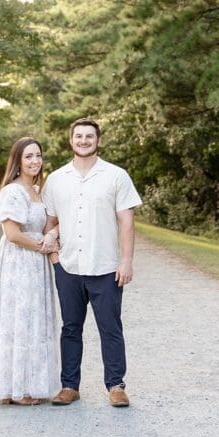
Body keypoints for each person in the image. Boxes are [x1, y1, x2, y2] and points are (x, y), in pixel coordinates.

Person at [42, 118, 142, 408]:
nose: (83, 140)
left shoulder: (116, 176)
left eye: (89, 136)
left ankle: (116, 385)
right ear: (70, 140)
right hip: (69, 266)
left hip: (106, 266)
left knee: (110, 327)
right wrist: (54, 257)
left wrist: (126, 261)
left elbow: (126, 222)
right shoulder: (57, 179)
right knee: (70, 328)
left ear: (98, 141)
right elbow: (51, 222)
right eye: (78, 136)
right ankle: (69, 385)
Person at [0, 137, 60, 405]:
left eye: (38, 155)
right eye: (28, 156)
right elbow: (12, 234)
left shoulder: (37, 190)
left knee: (33, 320)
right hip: (20, 262)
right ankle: (16, 389)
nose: (35, 161)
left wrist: (52, 238)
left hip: (36, 263)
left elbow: (49, 223)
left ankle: (26, 384)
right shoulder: (13, 191)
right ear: (18, 161)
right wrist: (43, 246)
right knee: (20, 319)